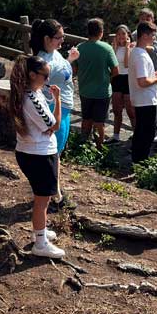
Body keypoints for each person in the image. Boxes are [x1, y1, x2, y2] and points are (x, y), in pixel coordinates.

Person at [7, 55, 65, 259]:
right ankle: (40, 243)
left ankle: (40, 231)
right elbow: (54, 125)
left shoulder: (28, 93)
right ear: (32, 75)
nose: (47, 80)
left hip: (31, 151)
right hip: (39, 155)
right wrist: (58, 100)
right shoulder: (31, 98)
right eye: (45, 76)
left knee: (43, 198)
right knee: (42, 201)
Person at [31, 19, 78, 202]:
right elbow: (41, 84)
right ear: (47, 39)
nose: (62, 41)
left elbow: (61, 73)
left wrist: (70, 60)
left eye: (63, 36)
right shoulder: (43, 62)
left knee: (57, 150)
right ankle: (52, 194)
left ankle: (54, 189)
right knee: (51, 152)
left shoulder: (55, 54)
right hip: (53, 108)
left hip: (63, 108)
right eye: (59, 37)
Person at [74, 17, 119, 146]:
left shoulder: (80, 47)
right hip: (102, 92)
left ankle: (82, 143)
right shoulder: (107, 48)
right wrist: (107, 78)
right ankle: (100, 147)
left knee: (86, 118)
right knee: (100, 122)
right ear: (101, 32)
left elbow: (75, 68)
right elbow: (116, 70)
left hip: (85, 90)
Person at [128, 21, 157, 163]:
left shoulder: (137, 52)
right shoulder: (140, 55)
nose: (154, 38)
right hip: (146, 100)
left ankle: (137, 160)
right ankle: (141, 162)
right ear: (144, 36)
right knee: (147, 133)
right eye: (152, 35)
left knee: (141, 131)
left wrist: (153, 76)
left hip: (142, 99)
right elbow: (142, 82)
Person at [109, 24, 135, 141]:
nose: (121, 36)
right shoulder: (114, 47)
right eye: (118, 34)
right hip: (117, 78)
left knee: (130, 110)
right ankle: (116, 135)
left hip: (128, 78)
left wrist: (128, 47)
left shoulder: (132, 47)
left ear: (128, 35)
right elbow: (112, 62)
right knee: (116, 109)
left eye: (123, 34)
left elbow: (126, 64)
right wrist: (114, 47)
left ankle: (136, 133)